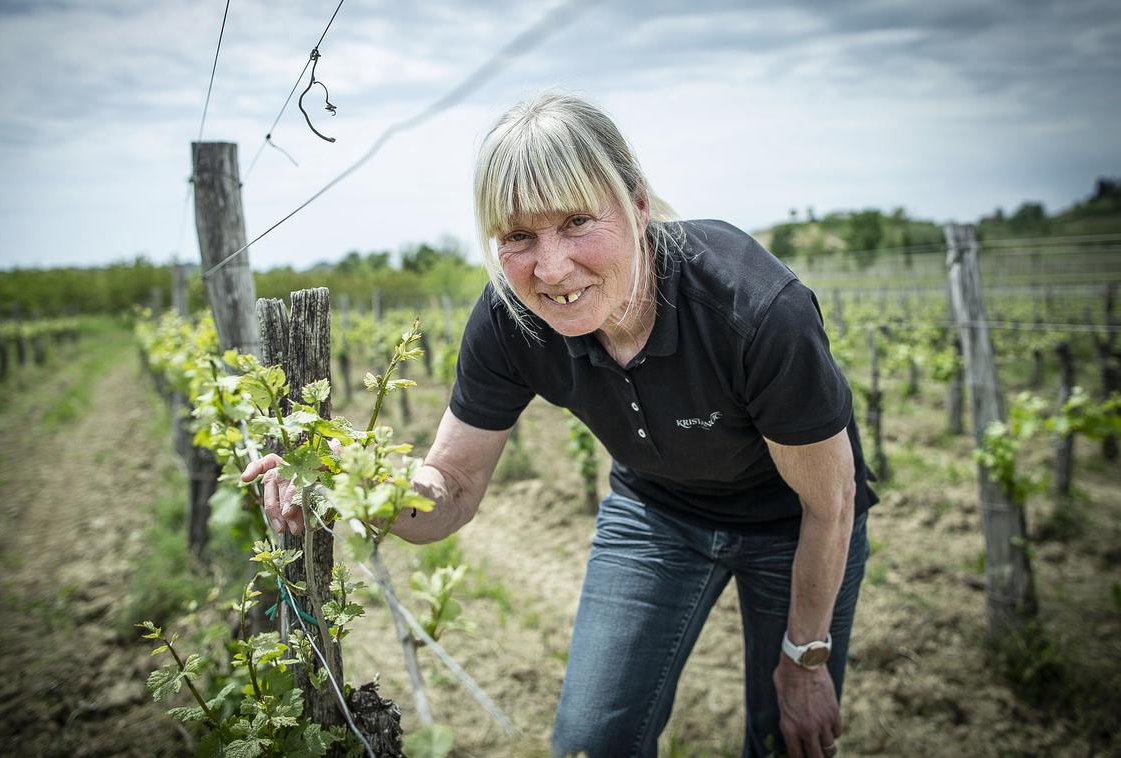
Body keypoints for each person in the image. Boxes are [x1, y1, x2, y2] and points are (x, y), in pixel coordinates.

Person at [242, 91, 878, 758]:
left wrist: (806, 661)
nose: (550, 269)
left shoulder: (756, 311)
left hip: (795, 524)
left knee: (785, 738)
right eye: (518, 236)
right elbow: (451, 486)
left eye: (576, 221)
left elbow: (829, 502)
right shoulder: (509, 321)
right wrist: (345, 478)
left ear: (635, 206)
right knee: (591, 744)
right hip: (659, 510)